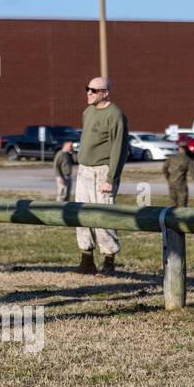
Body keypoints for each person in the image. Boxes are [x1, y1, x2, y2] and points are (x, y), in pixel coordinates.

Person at [73, 76, 129, 275]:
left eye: (94, 90)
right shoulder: (88, 112)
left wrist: (111, 179)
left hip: (103, 171)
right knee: (81, 214)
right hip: (84, 170)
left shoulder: (115, 115)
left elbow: (120, 148)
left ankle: (109, 262)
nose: (89, 93)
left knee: (103, 216)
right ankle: (86, 261)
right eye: (87, 89)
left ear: (105, 93)